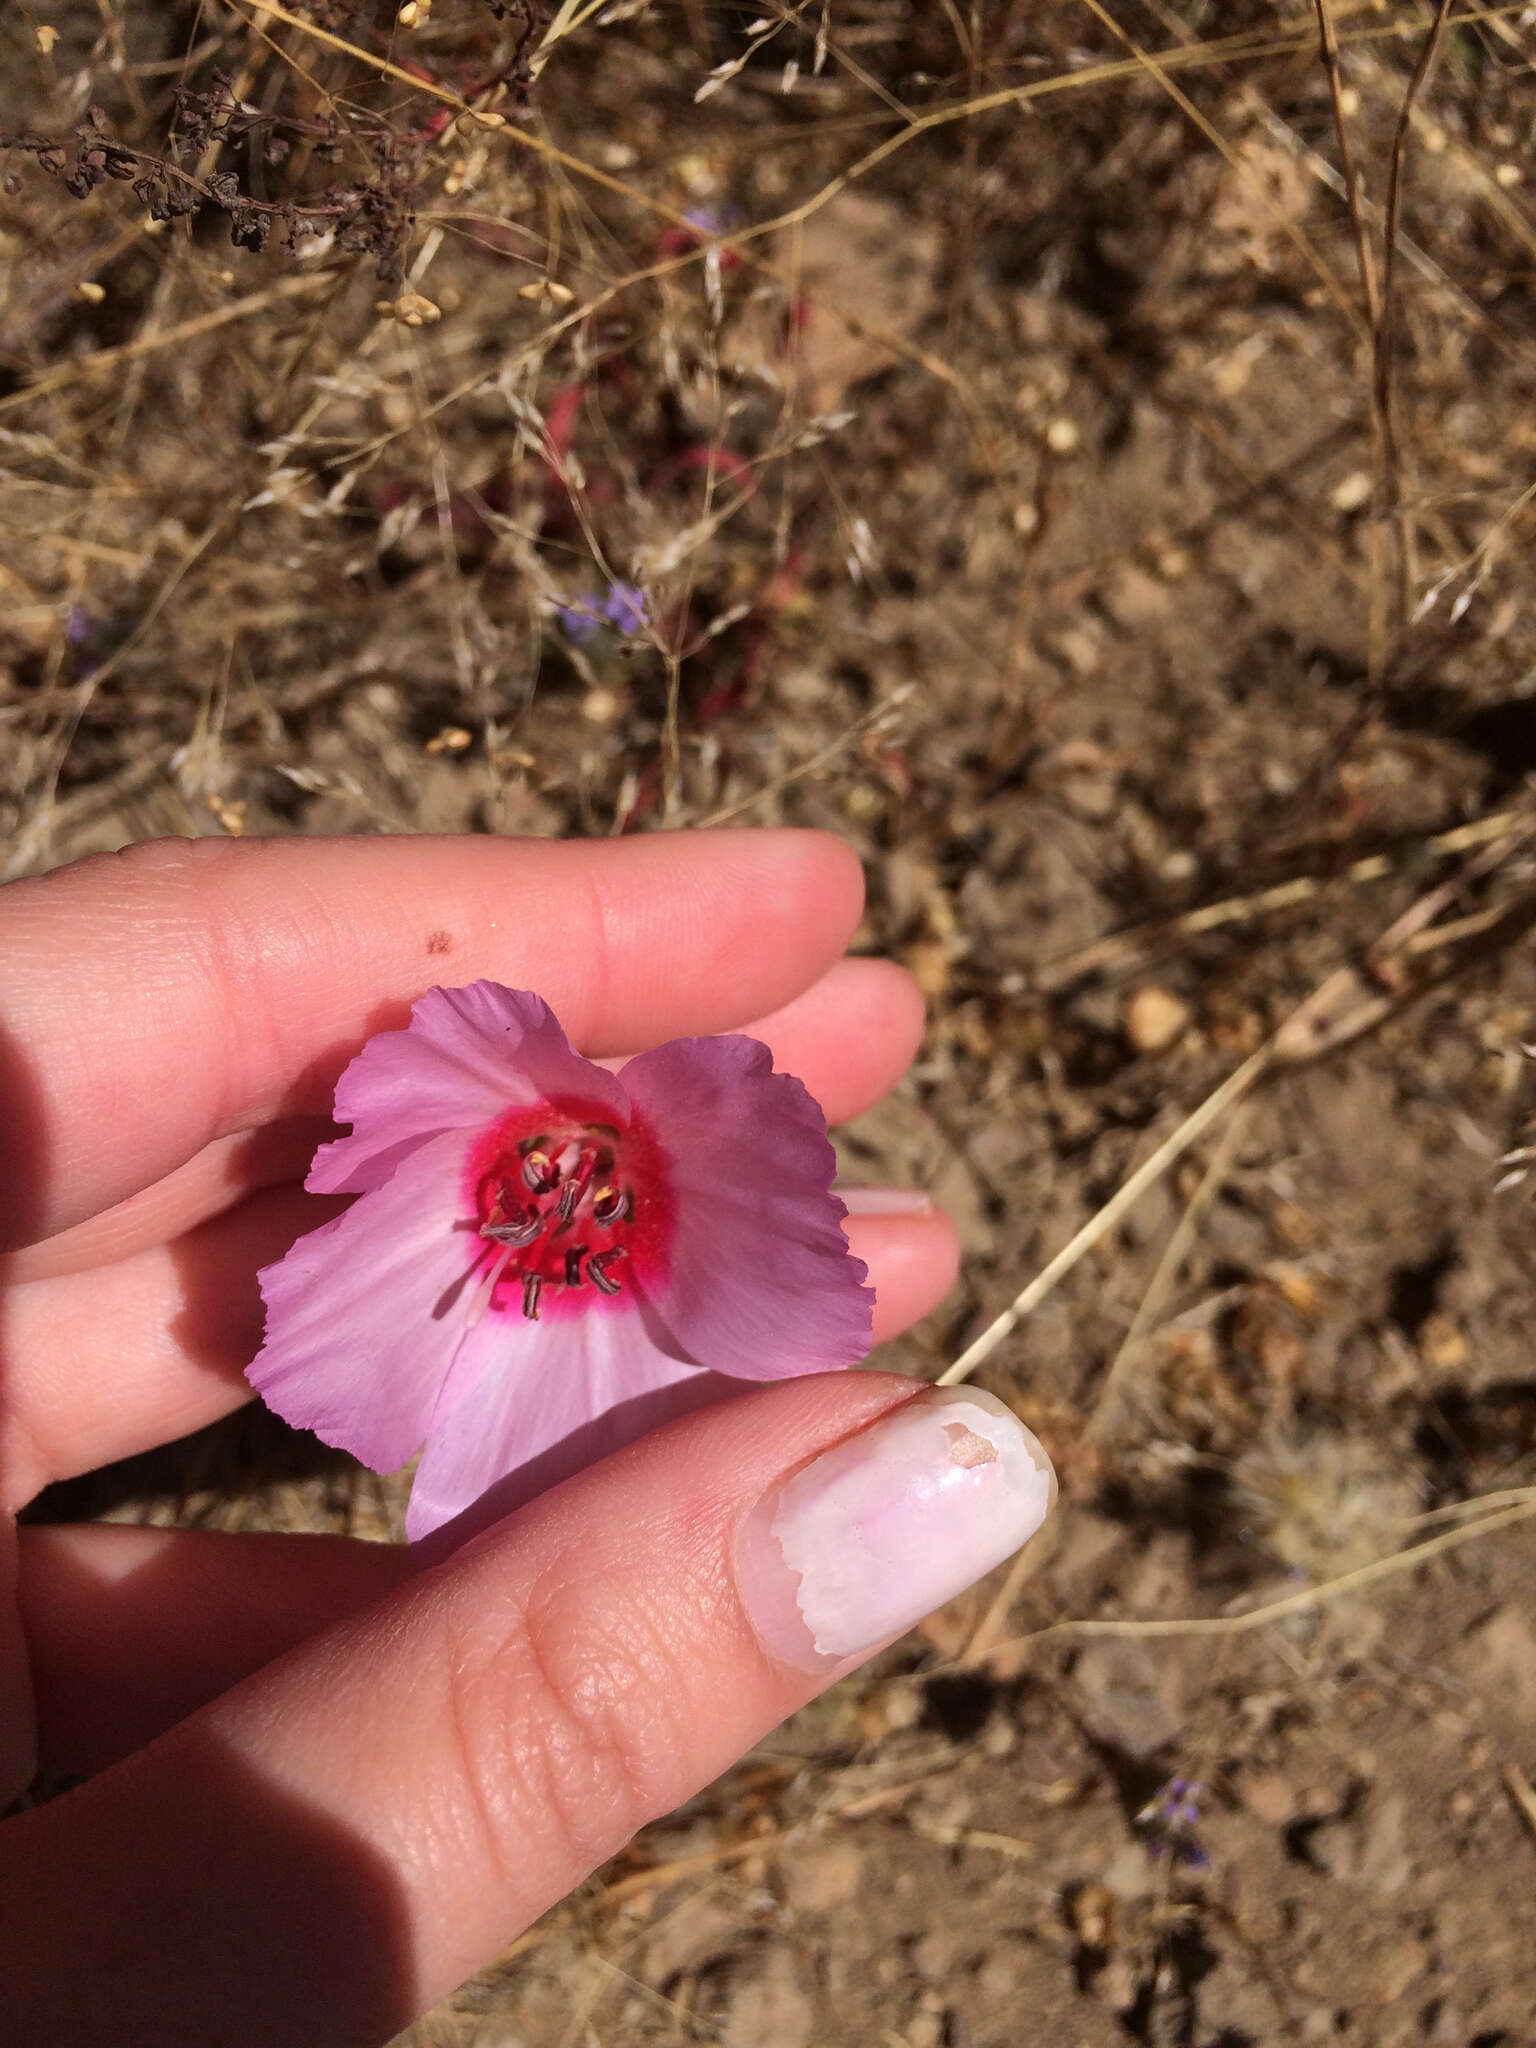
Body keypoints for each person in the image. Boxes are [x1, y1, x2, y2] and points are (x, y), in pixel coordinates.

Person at [0, 829, 1054, 2045]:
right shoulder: (496, 1092)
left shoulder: (667, 1176)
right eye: (558, 1177)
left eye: (585, 1190)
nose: (564, 1194)